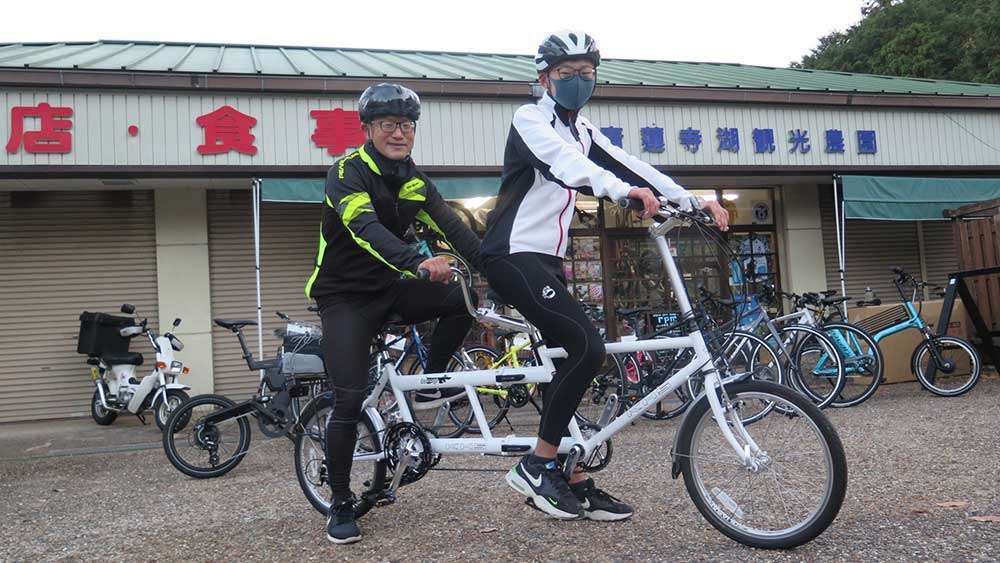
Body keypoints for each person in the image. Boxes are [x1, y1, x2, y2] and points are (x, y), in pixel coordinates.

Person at [480, 30, 730, 522]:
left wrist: (694, 199)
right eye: (566, 74)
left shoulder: (584, 130)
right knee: (587, 347)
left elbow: (633, 165)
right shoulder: (530, 120)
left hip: (546, 260)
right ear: (545, 78)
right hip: (511, 254)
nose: (578, 81)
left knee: (566, 360)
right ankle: (536, 465)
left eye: (586, 73)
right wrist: (621, 193)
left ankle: (570, 474)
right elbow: (567, 166)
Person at [305, 83, 482, 544]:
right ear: (368, 129)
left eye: (406, 125)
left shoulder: (415, 179)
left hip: (390, 289)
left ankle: (432, 383)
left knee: (464, 298)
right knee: (348, 399)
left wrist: (498, 269)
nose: (399, 133)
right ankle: (341, 503)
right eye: (388, 125)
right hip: (344, 297)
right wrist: (415, 261)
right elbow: (363, 229)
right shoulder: (347, 171)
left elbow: (455, 229)